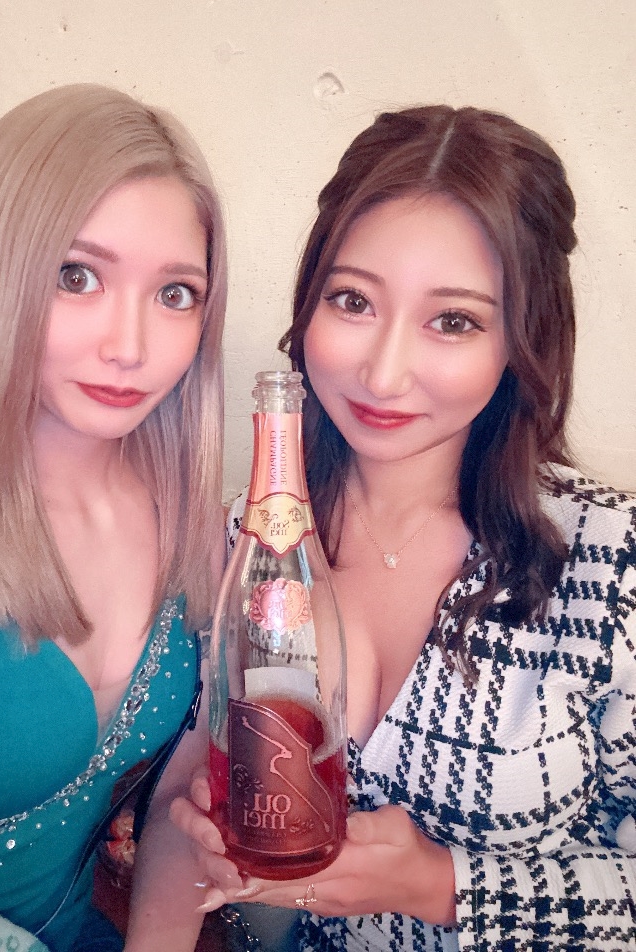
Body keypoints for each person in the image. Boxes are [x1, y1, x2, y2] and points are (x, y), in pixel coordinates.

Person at [171, 105, 636, 950]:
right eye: (352, 300)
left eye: (453, 320)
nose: (383, 374)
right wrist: (220, 839)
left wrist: (442, 885)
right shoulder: (252, 540)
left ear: (521, 339)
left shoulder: (610, 560)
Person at [0, 83, 227, 952]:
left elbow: (179, 802)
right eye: (77, 277)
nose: (129, 346)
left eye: (175, 293)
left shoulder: (195, 528)